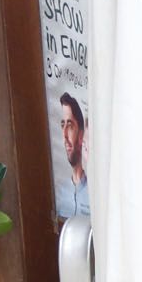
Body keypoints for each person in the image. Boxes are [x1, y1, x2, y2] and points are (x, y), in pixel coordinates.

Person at [53, 92, 90, 220]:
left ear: (81, 134)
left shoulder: (94, 192)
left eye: (69, 126)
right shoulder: (59, 192)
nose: (64, 135)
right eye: (62, 125)